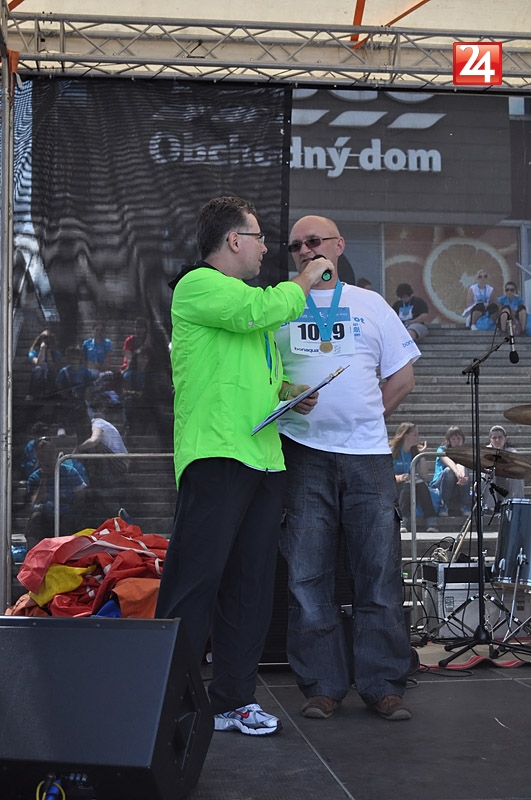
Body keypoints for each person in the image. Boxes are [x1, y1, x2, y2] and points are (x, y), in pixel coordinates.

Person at [154, 195, 328, 737]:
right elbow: (259, 310)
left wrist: (288, 392)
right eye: (259, 238)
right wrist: (307, 277)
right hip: (216, 454)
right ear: (234, 240)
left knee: (250, 586)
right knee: (194, 581)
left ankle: (233, 699)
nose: (266, 249)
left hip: (263, 458)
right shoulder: (198, 285)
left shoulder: (246, 307)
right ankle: (163, 703)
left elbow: (250, 374)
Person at [275, 214, 420, 723]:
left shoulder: (370, 304)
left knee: (378, 573)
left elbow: (403, 377)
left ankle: (383, 685)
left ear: (338, 246)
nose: (304, 250)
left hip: (368, 456)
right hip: (303, 453)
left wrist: (367, 416)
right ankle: (322, 686)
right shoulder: (281, 304)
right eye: (295, 245)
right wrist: (286, 393)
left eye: (314, 241)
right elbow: (263, 377)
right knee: (306, 575)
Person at [25, 437, 87, 551]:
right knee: (35, 519)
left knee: (69, 521)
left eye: (49, 454)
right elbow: (34, 503)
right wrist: (44, 479)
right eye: (42, 455)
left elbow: (80, 498)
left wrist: (68, 508)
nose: (46, 458)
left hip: (66, 515)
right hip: (45, 517)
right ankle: (34, 556)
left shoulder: (70, 472)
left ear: (54, 453)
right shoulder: (35, 477)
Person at [390, 422, 439, 534]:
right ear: (406, 436)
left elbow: (424, 475)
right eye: (415, 434)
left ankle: (431, 521)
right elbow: (385, 474)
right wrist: (399, 477)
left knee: (421, 484)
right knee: (407, 485)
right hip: (395, 484)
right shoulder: (392, 451)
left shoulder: (414, 452)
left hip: (410, 483)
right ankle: (402, 521)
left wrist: (421, 455)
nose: (418, 437)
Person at [430, 426, 471, 517]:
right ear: (449, 440)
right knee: (449, 471)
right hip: (440, 483)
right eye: (453, 439)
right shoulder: (441, 449)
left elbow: (461, 464)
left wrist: (462, 475)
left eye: (459, 438)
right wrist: (457, 473)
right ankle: (443, 505)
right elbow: (448, 462)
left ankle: (465, 505)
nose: (456, 441)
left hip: (457, 483)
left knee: (465, 473)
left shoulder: (464, 452)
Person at [484, 425, 525, 510]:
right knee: (486, 475)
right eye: (494, 438)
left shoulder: (511, 452)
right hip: (491, 477)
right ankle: (490, 507)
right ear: (490, 440)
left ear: (505, 439)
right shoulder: (485, 451)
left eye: (500, 437)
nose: (497, 440)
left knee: (517, 476)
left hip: (506, 478)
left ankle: (516, 505)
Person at [26, 329, 62, 401]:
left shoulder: (56, 353)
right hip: (38, 377)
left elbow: (53, 367)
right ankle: (33, 393)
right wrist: (42, 349)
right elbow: (39, 363)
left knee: (52, 372)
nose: (46, 341)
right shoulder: (33, 352)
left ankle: (50, 393)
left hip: (50, 377)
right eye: (44, 338)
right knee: (38, 369)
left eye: (49, 339)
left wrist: (49, 352)